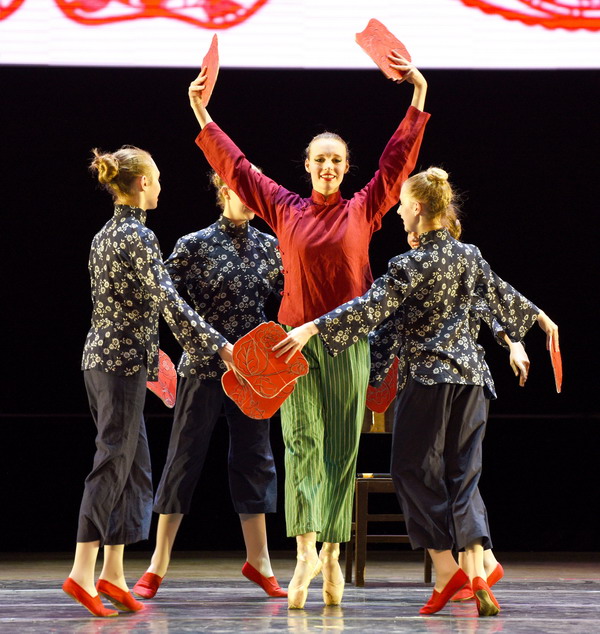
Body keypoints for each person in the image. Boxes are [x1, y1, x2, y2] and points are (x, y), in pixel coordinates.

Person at [187, 51, 429, 609]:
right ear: (307, 165)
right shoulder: (284, 208)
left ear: (346, 169)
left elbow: (396, 163)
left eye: (336, 161)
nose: (327, 167)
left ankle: (332, 557)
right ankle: (302, 555)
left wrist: (417, 94)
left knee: (342, 451)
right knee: (300, 448)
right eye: (319, 159)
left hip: (347, 348)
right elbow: (239, 170)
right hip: (292, 350)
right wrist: (202, 113)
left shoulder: (365, 209)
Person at [274, 167, 558, 617]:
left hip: (427, 381)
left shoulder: (407, 265)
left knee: (411, 472)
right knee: (464, 476)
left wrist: (314, 326)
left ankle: (447, 572)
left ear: (419, 208)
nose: (399, 210)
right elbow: (497, 295)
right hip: (473, 382)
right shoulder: (469, 255)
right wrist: (536, 322)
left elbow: (369, 310)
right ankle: (479, 567)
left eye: (403, 203)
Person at [62, 146, 234, 618]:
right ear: (141, 185)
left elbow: (128, 306)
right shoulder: (138, 236)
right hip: (117, 366)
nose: (160, 186)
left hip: (109, 360)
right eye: (156, 178)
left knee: (135, 465)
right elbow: (169, 302)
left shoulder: (104, 234)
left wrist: (154, 358)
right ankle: (82, 570)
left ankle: (113, 572)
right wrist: (221, 347)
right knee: (113, 461)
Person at [133, 169, 287, 600]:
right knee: (183, 458)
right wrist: (154, 359)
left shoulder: (269, 247)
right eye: (243, 190)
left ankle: (260, 561)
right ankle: (157, 563)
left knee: (255, 460)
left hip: (252, 375)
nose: (252, 199)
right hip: (202, 368)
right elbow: (161, 300)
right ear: (224, 191)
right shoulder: (194, 245)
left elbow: (290, 300)